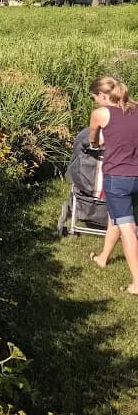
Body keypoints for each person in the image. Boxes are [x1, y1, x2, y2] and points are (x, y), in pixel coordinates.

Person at [88, 77, 138, 294]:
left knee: (128, 228)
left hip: (117, 177)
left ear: (102, 95)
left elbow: (93, 140)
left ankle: (137, 282)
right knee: (116, 217)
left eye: (94, 98)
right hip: (136, 176)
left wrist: (97, 143)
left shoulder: (101, 114)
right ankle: (103, 258)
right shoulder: (136, 109)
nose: (95, 102)